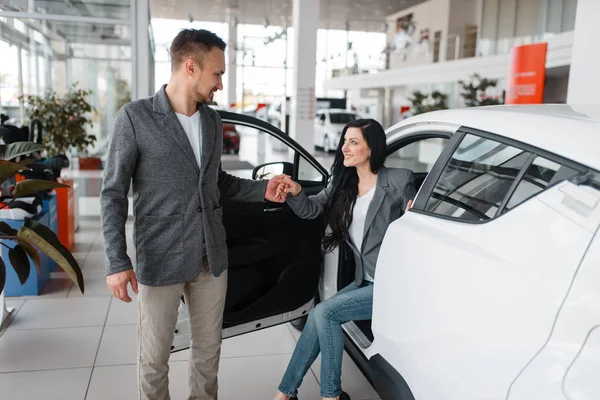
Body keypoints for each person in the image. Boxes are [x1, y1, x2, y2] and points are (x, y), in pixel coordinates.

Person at [100, 29, 287, 400]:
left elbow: (215, 181)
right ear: (190, 67)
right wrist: (116, 261)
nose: (220, 83)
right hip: (161, 256)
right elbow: (113, 193)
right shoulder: (135, 118)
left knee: (208, 354)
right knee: (154, 358)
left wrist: (260, 189)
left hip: (210, 256)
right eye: (216, 74)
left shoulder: (211, 122)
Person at [273, 119, 416, 400]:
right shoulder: (343, 182)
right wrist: (297, 192)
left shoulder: (400, 180)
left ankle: (330, 396)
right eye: (345, 141)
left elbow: (413, 227)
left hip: (392, 284)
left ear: (371, 148)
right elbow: (312, 210)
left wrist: (415, 216)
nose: (344, 148)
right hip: (365, 280)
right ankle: (284, 394)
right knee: (319, 314)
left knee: (326, 312)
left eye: (353, 142)